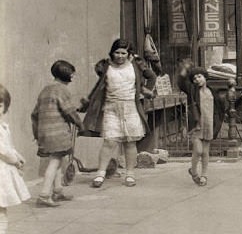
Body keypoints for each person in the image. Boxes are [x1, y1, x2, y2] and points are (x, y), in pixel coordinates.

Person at [80, 38, 156, 188]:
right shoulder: (105, 66)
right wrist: (87, 101)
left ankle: (130, 174)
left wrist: (145, 90)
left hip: (130, 107)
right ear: (112, 52)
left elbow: (152, 76)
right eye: (117, 52)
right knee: (109, 141)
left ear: (129, 53)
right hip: (111, 107)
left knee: (130, 142)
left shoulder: (137, 64)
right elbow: (99, 85)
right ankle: (100, 174)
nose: (120, 56)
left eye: (123, 53)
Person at [31, 60, 84, 207]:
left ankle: (58, 190)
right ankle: (44, 195)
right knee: (54, 162)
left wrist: (36, 134)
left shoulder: (45, 90)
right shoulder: (62, 90)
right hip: (57, 131)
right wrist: (80, 124)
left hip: (44, 132)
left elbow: (34, 114)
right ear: (67, 75)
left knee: (57, 159)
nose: (74, 77)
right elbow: (68, 110)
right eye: (72, 74)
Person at [0, 84, 30, 232]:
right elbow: (2, 150)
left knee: (2, 208)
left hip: (3, 174)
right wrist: (15, 160)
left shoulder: (3, 126)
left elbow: (9, 146)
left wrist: (18, 156)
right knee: (1, 210)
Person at [187, 67, 215, 186]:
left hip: (209, 124)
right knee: (198, 150)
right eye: (194, 78)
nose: (197, 79)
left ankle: (204, 175)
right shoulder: (193, 92)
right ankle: (193, 171)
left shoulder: (211, 91)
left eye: (199, 76)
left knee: (205, 151)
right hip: (197, 125)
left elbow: (218, 108)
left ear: (205, 77)